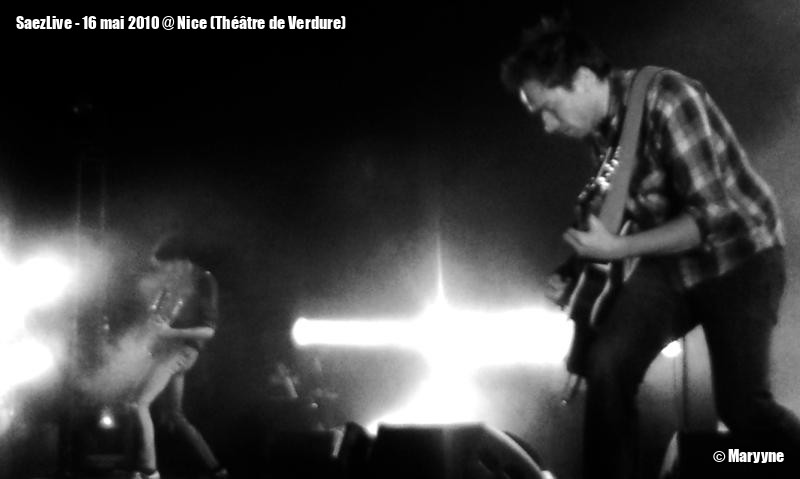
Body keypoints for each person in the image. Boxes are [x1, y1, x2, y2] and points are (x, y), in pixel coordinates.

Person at [501, 19, 800, 479]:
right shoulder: (602, 132)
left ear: (582, 79)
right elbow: (623, 212)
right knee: (607, 365)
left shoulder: (669, 98)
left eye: (550, 108)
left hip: (739, 257)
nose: (546, 125)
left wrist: (619, 248)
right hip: (673, 266)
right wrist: (573, 270)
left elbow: (709, 217)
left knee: (742, 409)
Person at [128, 235, 228, 479]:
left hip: (181, 350)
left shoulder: (203, 280)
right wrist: (154, 327)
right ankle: (215, 469)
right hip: (171, 350)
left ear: (182, 261)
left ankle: (149, 471)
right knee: (175, 414)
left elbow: (209, 331)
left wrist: (169, 332)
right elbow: (161, 320)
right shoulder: (175, 284)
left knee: (139, 404)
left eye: (167, 266)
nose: (165, 272)